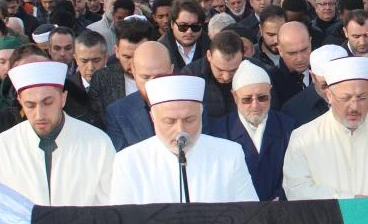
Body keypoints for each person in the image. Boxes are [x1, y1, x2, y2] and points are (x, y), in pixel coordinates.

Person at [283, 56, 368, 199]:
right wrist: (349, 200)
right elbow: (297, 188)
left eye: (362, 97)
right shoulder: (303, 138)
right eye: (345, 98)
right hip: (329, 219)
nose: (354, 107)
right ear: (329, 95)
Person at [110, 75, 257, 204]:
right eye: (169, 121)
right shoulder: (128, 161)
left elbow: (248, 217)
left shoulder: (229, 154)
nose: (180, 130)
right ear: (153, 118)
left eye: (189, 120)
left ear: (201, 114)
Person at [0, 61, 115, 205]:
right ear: (20, 101)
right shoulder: (4, 145)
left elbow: (109, 206)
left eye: (47, 103)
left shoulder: (98, 143)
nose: (39, 114)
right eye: (30, 105)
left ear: (63, 99)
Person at [210, 61, 296, 201]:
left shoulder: (287, 126)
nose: (255, 105)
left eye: (262, 98)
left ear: (270, 92)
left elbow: (295, 173)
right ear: (235, 97)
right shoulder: (220, 132)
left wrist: (281, 197)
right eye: (247, 99)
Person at [104, 41, 174, 152]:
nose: (152, 84)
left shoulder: (193, 106)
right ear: (133, 72)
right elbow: (122, 161)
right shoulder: (117, 113)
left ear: (171, 70)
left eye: (159, 76)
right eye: (145, 77)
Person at [88, 18, 153, 121]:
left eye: (138, 56)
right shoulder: (101, 80)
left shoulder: (163, 79)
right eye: (127, 57)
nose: (132, 63)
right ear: (116, 51)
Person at [281, 44, 347, 127]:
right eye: (325, 85)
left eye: (338, 83)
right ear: (313, 77)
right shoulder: (292, 110)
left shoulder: (365, 99)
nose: (332, 91)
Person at [183, 30, 245, 119]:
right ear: (209, 55)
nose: (226, 77)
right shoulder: (190, 77)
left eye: (233, 70)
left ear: (242, 58)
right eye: (220, 69)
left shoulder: (255, 73)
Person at [161, 0, 210, 71]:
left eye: (195, 26)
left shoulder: (211, 48)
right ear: (172, 24)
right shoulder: (160, 50)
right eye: (183, 26)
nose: (189, 31)